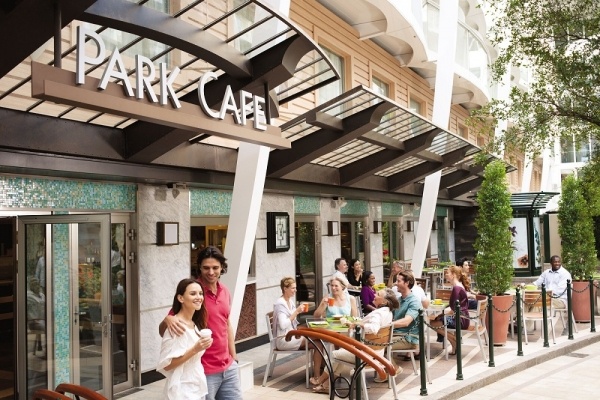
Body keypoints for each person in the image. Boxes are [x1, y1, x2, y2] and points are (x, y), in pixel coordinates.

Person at [160, 246, 242, 400]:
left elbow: (227, 324)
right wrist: (167, 319)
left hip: (229, 367)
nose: (211, 272)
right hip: (205, 370)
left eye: (215, 268)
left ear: (222, 267)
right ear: (199, 268)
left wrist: (234, 357)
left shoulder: (224, 291)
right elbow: (168, 326)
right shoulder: (194, 293)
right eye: (206, 268)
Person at [311, 289, 400, 393]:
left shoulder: (378, 314)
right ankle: (326, 385)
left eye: (378, 294)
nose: (374, 295)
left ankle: (320, 380)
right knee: (341, 354)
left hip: (366, 355)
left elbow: (373, 328)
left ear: (384, 301)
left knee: (333, 355)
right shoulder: (388, 313)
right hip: (377, 353)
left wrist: (358, 324)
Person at [157, 278, 212, 400]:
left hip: (196, 385)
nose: (199, 297)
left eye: (200, 293)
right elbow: (167, 365)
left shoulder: (194, 323)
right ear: (181, 298)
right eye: (193, 294)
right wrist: (195, 349)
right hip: (181, 390)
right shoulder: (176, 326)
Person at [273, 277, 324, 385]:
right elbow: (283, 325)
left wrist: (297, 312)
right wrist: (296, 311)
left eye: (295, 288)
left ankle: (318, 376)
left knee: (319, 343)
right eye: (293, 288)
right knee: (318, 337)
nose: (295, 290)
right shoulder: (280, 304)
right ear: (285, 288)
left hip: (292, 335)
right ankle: (319, 375)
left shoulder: (289, 301)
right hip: (284, 339)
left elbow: (292, 321)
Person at [428, 265, 470, 355]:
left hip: (460, 320)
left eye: (447, 273)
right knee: (437, 320)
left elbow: (454, 309)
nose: (445, 275)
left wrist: (440, 316)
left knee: (433, 323)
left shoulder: (456, 288)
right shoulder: (458, 286)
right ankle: (453, 342)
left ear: (453, 275)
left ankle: (453, 340)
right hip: (463, 318)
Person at [390, 270, 422, 362]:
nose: (395, 283)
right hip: (395, 335)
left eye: (398, 281)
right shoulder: (398, 300)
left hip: (408, 339)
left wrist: (386, 325)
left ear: (407, 283)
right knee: (373, 344)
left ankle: (394, 369)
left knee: (378, 347)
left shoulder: (414, 301)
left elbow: (406, 322)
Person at [27, 277, 46, 355]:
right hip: (34, 321)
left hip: (44, 319)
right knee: (49, 328)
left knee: (54, 326)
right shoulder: (28, 296)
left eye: (38, 284)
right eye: (34, 284)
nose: (37, 286)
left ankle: (52, 350)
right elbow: (27, 311)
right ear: (31, 286)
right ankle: (48, 351)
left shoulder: (42, 295)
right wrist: (33, 319)